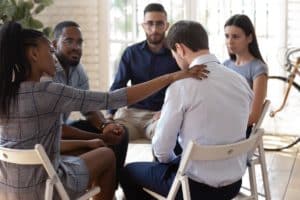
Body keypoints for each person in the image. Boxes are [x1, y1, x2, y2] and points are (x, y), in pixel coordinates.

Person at [0, 21, 207, 200]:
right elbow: (113, 98)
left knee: (95, 149)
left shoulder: (6, 92)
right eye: (49, 50)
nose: (53, 55)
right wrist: (172, 77)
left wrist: (89, 140)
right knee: (107, 156)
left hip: (7, 189)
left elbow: (35, 144)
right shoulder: (49, 91)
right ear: (34, 54)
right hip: (46, 188)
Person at [120, 20, 253, 200]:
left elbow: (161, 149)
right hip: (233, 184)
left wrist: (170, 164)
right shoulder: (240, 81)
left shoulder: (181, 86)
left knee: (128, 173)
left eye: (174, 53)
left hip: (193, 189)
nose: (175, 58)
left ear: (180, 49)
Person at [51, 21, 128, 188]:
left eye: (79, 42)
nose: (76, 47)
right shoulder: (46, 72)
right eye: (68, 41)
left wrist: (105, 125)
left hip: (63, 128)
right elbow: (56, 129)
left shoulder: (78, 70)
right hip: (52, 136)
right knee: (106, 146)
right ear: (54, 44)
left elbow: (89, 110)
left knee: (120, 133)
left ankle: (109, 189)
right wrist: (99, 138)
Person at [108, 3, 180, 140]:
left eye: (159, 24)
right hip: (131, 115)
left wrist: (168, 111)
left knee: (165, 137)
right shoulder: (131, 53)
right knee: (113, 136)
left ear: (167, 25)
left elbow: (184, 88)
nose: (154, 29)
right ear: (143, 26)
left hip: (160, 115)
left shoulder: (176, 55)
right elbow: (119, 84)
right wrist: (110, 114)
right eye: (150, 24)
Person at [223, 14, 268, 137]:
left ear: (249, 38)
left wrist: (224, 124)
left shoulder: (258, 68)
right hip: (221, 122)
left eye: (235, 37)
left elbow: (253, 116)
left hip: (240, 129)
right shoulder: (225, 65)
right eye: (227, 36)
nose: (230, 42)